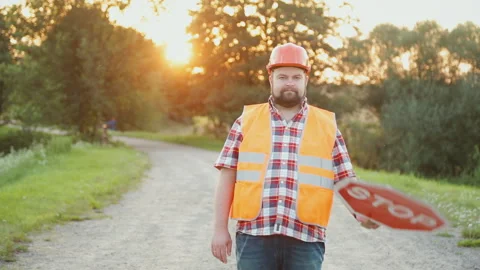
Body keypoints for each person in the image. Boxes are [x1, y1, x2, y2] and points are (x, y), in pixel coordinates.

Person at [211, 43, 379, 270]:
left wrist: (363, 213)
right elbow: (227, 177)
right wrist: (220, 229)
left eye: (296, 77)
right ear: (271, 78)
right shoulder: (245, 121)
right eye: (282, 76)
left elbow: (344, 179)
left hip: (306, 239)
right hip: (254, 236)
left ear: (305, 80)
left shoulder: (327, 126)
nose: (289, 82)